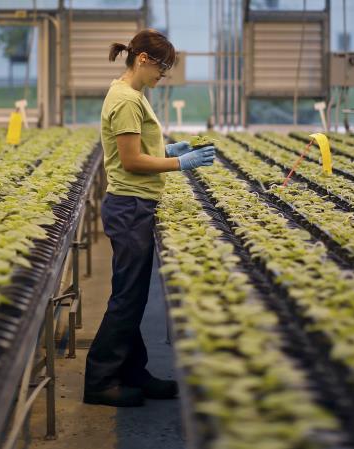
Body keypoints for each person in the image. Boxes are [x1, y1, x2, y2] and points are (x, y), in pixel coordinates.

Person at [83, 29, 216, 407]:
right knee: (127, 298)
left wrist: (166, 148)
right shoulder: (126, 99)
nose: (164, 75)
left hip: (134, 204)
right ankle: (100, 380)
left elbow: (139, 148)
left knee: (134, 296)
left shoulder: (131, 95)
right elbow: (130, 161)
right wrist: (178, 163)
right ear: (142, 58)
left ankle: (132, 371)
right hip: (129, 207)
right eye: (162, 66)